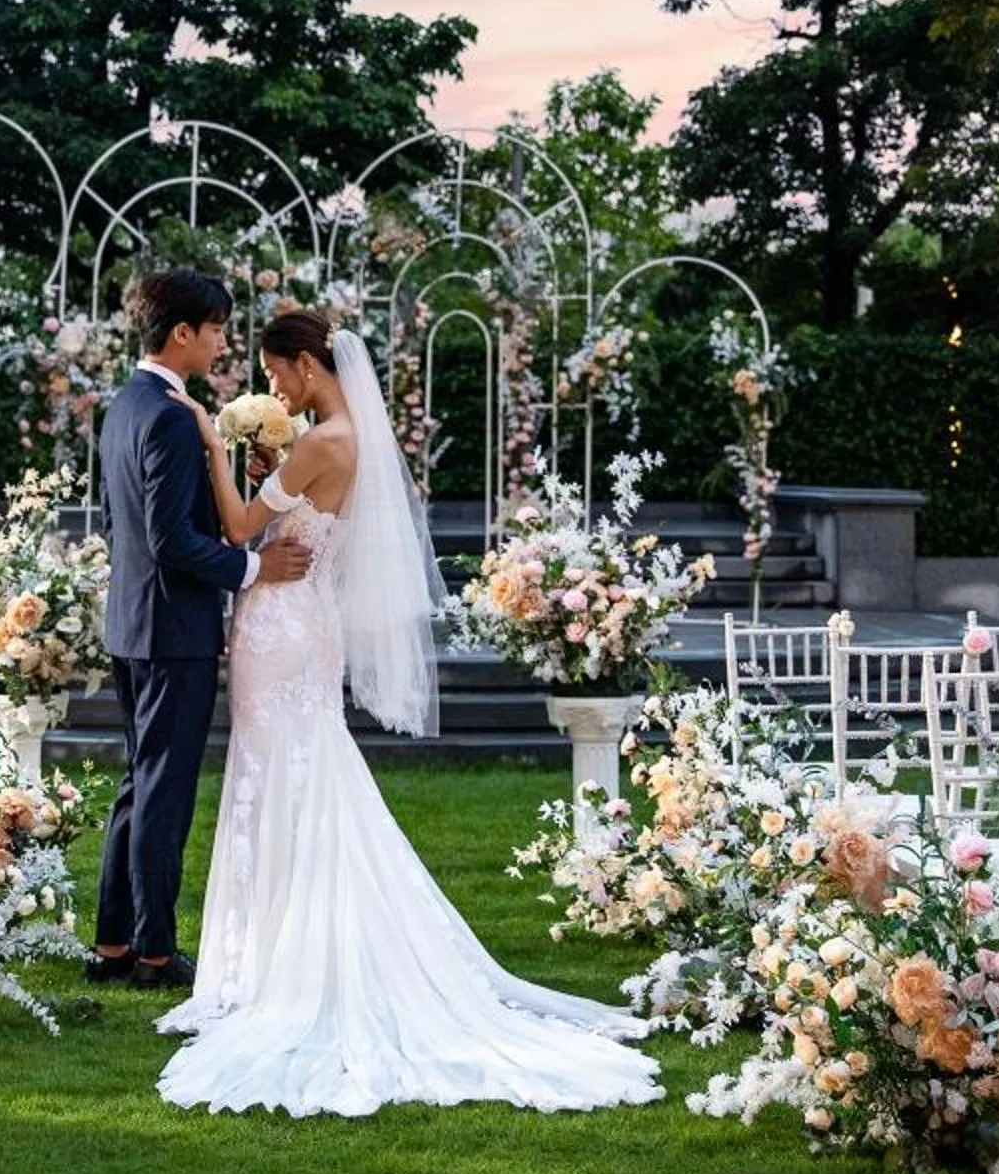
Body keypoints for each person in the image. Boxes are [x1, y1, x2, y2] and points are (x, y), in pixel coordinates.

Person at [153, 309, 661, 1116]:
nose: (274, 386)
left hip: (281, 624)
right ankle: (273, 951)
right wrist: (264, 462)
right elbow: (285, 520)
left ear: (308, 366)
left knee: (274, 771)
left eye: (279, 371)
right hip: (304, 621)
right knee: (295, 769)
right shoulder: (341, 438)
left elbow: (244, 526)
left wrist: (217, 448)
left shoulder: (323, 441)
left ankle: (271, 964)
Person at [90, 270, 311, 994]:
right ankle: (154, 953)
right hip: (170, 630)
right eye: (215, 328)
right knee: (164, 790)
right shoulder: (171, 416)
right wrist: (254, 567)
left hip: (134, 624)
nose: (223, 341)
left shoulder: (128, 405)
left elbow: (165, 523)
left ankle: (115, 941)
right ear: (181, 331)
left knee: (138, 783)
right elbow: (169, 541)